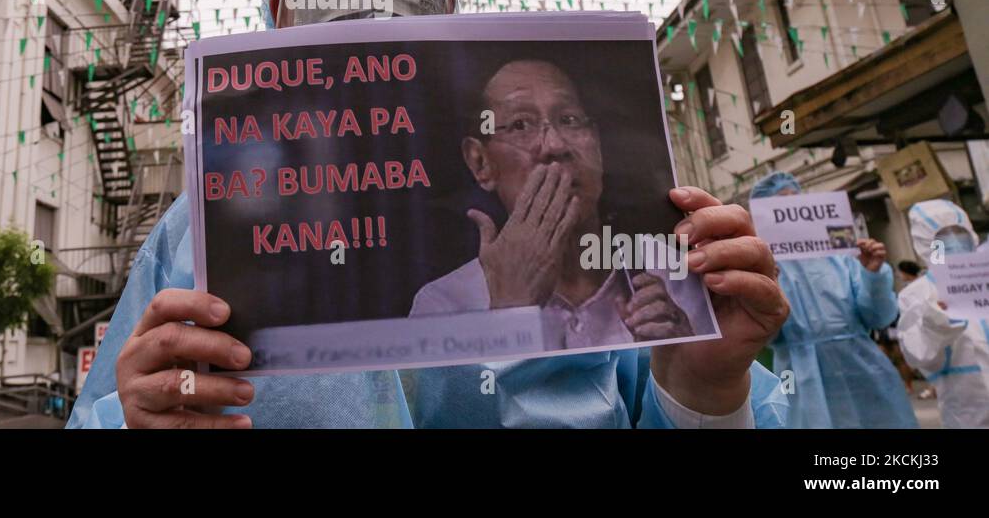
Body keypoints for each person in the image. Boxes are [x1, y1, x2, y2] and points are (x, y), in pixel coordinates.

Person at [69, 0, 790, 429]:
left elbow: (678, 408)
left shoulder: (607, 240)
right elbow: (114, 409)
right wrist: (142, 417)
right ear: (280, 9)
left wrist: (707, 388)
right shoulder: (198, 234)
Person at [410, 58, 715, 351]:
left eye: (569, 120)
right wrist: (510, 312)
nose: (555, 146)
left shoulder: (676, 272)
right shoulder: (443, 304)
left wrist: (688, 372)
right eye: (520, 125)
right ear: (480, 163)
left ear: (597, 144)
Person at [753, 171, 917, 428]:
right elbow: (768, 335)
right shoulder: (765, 266)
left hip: (863, 367)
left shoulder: (841, 255)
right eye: (780, 204)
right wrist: (765, 287)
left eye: (795, 200)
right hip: (801, 375)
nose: (791, 210)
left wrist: (872, 274)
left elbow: (878, 316)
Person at [896, 199, 989, 428]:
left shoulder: (984, 276)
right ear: (927, 246)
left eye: (960, 235)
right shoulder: (918, 294)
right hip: (968, 410)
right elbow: (920, 355)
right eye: (943, 240)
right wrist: (938, 319)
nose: (955, 244)